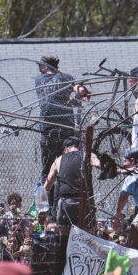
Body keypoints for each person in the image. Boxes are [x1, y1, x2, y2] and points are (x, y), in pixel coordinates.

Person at [35, 55, 89, 193]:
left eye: (40, 66)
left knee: (47, 170)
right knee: (65, 166)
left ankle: (45, 202)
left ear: (45, 66)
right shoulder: (65, 77)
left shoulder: (39, 80)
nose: (39, 69)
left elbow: (53, 97)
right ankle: (60, 199)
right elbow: (78, 89)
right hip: (66, 129)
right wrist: (80, 92)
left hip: (47, 129)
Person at [44, 137, 101, 228]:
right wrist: (120, 170)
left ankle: (64, 235)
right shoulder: (88, 155)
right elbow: (99, 164)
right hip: (86, 201)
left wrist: (41, 210)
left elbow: (46, 188)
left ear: (65, 148)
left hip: (67, 202)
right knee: (87, 232)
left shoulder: (58, 160)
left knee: (65, 232)